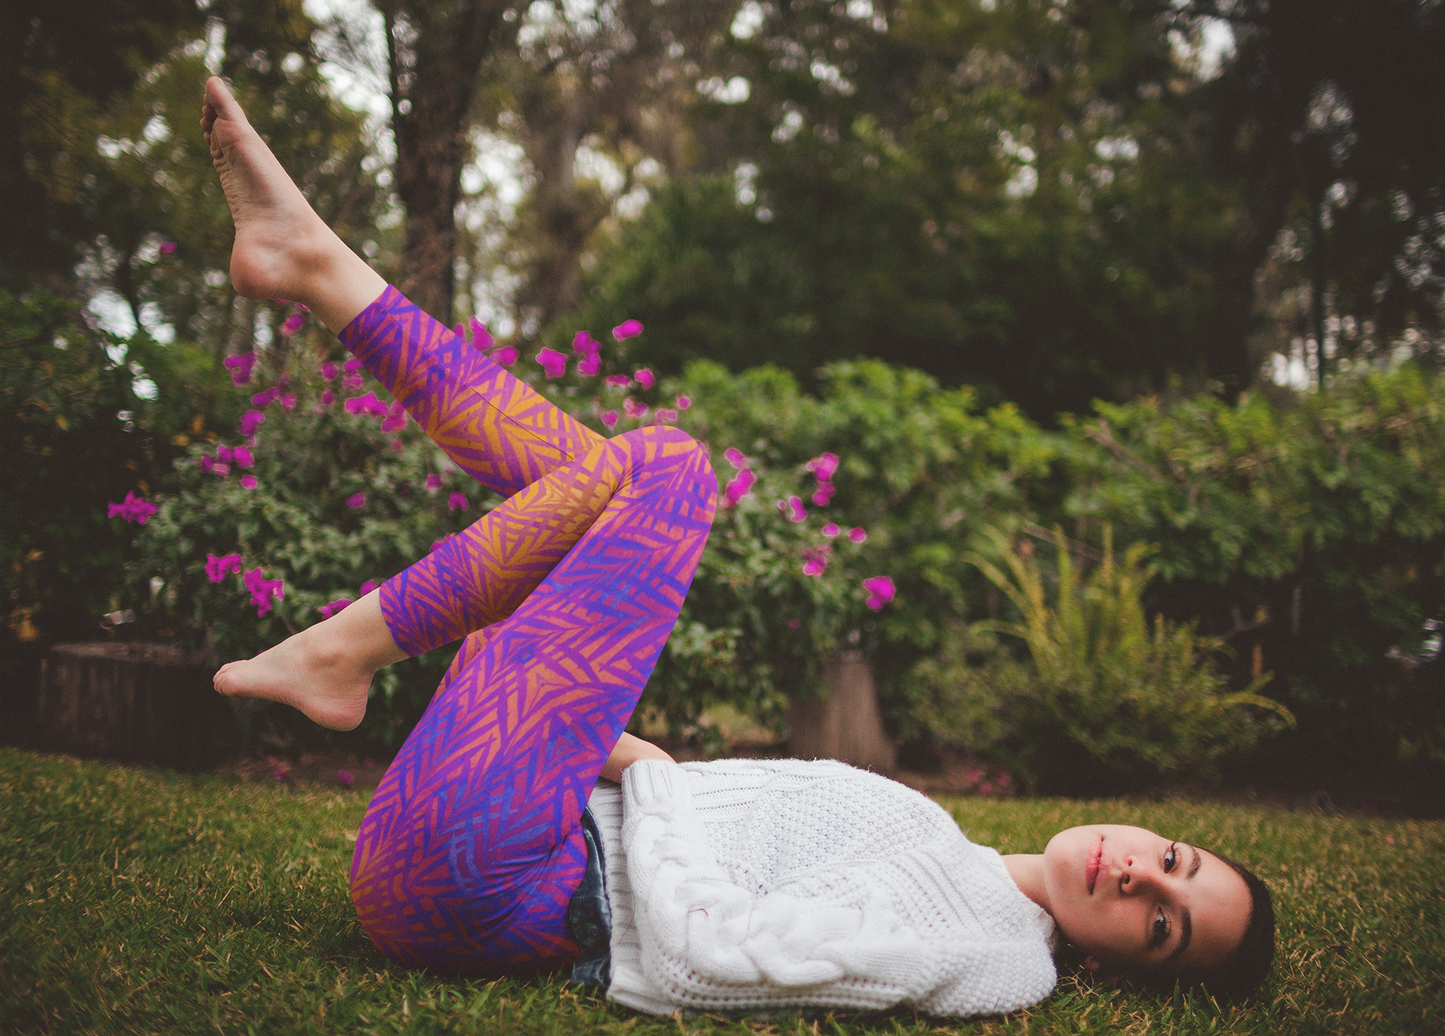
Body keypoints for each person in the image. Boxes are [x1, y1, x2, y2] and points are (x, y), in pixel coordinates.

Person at [200, 76, 1274, 1015]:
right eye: (1171, 859)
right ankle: (315, 267)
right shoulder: (962, 862)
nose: (1139, 878)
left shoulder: (993, 956)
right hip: (510, 831)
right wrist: (612, 749)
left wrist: (652, 775)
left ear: (1128, 969)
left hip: (488, 883)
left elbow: (716, 956)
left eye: (1162, 925)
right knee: (596, 481)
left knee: (668, 469)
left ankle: (344, 644)